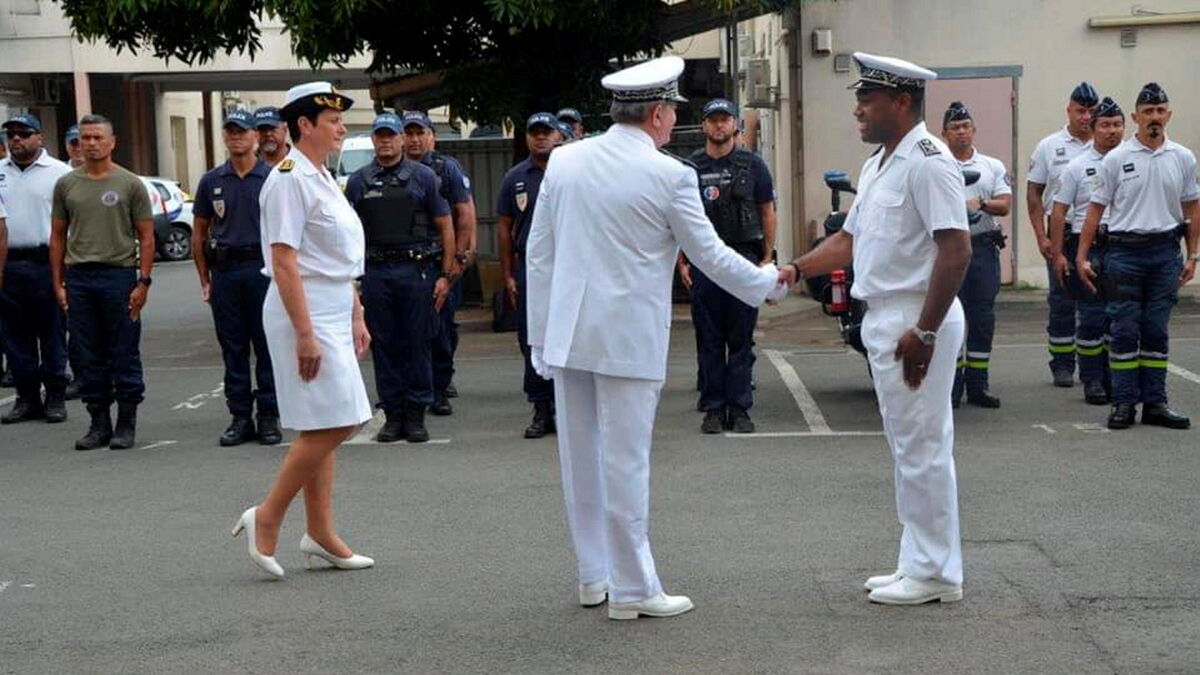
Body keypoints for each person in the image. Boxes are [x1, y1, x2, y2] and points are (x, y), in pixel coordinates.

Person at [526, 56, 792, 620]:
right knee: (624, 462)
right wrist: (767, 284)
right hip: (625, 338)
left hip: (568, 333)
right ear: (655, 114)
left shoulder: (565, 161)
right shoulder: (670, 174)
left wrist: (539, 338)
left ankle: (593, 575)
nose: (674, 121)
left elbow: (539, 253)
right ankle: (632, 590)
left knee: (581, 459)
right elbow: (710, 256)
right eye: (672, 111)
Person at [788, 53, 972, 605]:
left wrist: (928, 331)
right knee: (907, 446)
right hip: (888, 315)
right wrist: (796, 269)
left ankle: (938, 573)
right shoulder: (879, 163)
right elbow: (850, 240)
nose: (857, 110)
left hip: (919, 315)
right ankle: (918, 559)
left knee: (924, 448)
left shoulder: (928, 160)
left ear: (901, 102)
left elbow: (956, 249)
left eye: (867, 99)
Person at [231, 82, 375, 579]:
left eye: (341, 120)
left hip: (332, 303)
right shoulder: (289, 177)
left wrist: (355, 310)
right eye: (332, 120)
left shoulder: (320, 174)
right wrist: (307, 334)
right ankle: (267, 516)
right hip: (303, 310)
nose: (341, 127)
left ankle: (321, 534)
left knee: (324, 420)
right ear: (304, 126)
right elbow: (285, 261)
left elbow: (334, 257)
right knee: (342, 419)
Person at [1078, 83, 1198, 430]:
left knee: (1156, 331)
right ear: (1135, 117)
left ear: (1169, 115)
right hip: (1125, 254)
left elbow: (1192, 208)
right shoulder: (1117, 159)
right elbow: (1094, 212)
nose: (1155, 117)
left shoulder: (1182, 157)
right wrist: (1083, 257)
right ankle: (1124, 404)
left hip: (1165, 253)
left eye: (1160, 111)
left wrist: (1194, 256)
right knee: (1125, 330)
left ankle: (1156, 404)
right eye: (1148, 112)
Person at [346, 112, 454, 444]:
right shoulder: (359, 180)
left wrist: (446, 276)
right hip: (377, 273)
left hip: (416, 270)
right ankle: (393, 415)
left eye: (391, 136)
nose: (386, 141)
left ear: (401, 140)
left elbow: (445, 225)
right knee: (386, 345)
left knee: (418, 343)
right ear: (373, 140)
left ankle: (416, 413)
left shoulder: (423, 177)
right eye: (380, 136)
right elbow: (347, 232)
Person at [50, 114, 155, 451]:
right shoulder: (67, 185)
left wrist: (143, 282)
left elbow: (147, 236)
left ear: (112, 142)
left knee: (123, 352)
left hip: (118, 276)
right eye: (85, 138)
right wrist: (59, 283)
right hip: (80, 278)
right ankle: (98, 422)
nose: (91, 144)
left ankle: (126, 422)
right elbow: (57, 237)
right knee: (85, 353)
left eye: (97, 137)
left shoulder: (130, 184)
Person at [677, 98, 777, 434]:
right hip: (705, 263)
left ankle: (740, 407)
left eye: (725, 120)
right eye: (713, 120)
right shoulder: (690, 168)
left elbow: (767, 211)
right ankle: (714, 409)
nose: (719, 126)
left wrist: (766, 258)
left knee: (740, 338)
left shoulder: (753, 165)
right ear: (703, 126)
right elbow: (676, 220)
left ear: (735, 125)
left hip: (743, 258)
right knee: (709, 338)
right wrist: (682, 263)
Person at [191, 109, 281, 446]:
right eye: (230, 132)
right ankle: (240, 416)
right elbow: (199, 233)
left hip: (262, 270)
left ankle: (269, 415)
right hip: (226, 272)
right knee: (233, 348)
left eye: (242, 132)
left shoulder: (272, 177)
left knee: (267, 345)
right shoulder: (212, 180)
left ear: (256, 137)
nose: (236, 137)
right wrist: (205, 278)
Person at [1049, 97, 1125, 406]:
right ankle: (1092, 379)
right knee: (1092, 318)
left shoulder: (1132, 161)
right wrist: (1058, 254)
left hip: (1122, 245)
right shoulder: (1077, 167)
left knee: (1119, 319)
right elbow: (1058, 212)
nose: (1112, 131)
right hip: (1087, 245)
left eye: (1117, 125)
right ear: (1093, 128)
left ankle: (1115, 379)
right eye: (1105, 125)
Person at [401, 111, 476, 414]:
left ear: (432, 135)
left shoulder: (446, 169)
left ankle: (440, 386)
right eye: (410, 133)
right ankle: (416, 385)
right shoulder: (392, 169)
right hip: (407, 261)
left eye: (421, 133)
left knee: (441, 327)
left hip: (440, 260)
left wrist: (459, 258)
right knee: (408, 330)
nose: (415, 139)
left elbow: (465, 214)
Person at [0, 113, 72, 424]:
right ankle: (26, 397)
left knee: (52, 333)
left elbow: (71, 224)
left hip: (46, 263)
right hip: (9, 264)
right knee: (15, 336)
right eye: (11, 134)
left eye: (24, 133)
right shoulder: (0, 172)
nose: (16, 139)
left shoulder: (59, 173)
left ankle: (55, 395)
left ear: (40, 137)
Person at [941, 102, 1012, 409]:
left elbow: (1005, 204)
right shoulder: (937, 163)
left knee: (981, 318)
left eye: (966, 126)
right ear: (944, 133)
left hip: (982, 247)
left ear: (974, 130)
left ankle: (978, 386)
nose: (961, 132)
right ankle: (952, 386)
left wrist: (980, 204)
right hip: (948, 251)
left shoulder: (991, 166)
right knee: (949, 316)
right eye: (955, 128)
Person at [1028, 82, 1098, 387]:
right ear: (1068, 110)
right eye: (1080, 111)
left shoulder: (1107, 145)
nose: (1086, 117)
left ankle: (1092, 365)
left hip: (1097, 235)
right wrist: (1041, 238)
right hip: (1061, 233)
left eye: (1091, 111)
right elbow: (1034, 193)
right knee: (1062, 300)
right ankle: (1062, 364)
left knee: (1095, 302)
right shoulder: (1049, 146)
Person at [497, 112, 560, 439]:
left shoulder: (569, 172)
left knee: (565, 336)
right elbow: (505, 229)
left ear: (558, 135)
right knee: (532, 337)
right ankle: (540, 408)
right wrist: (507, 274)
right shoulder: (516, 177)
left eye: (546, 132)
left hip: (564, 266)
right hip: (529, 269)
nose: (540, 138)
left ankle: (564, 407)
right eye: (534, 132)